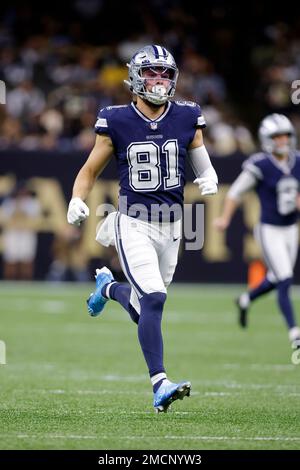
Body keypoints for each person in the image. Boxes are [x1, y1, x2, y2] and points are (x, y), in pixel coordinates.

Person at [67, 45, 218, 412]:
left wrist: (209, 175)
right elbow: (90, 170)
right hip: (133, 222)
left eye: (165, 74)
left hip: (174, 226)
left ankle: (109, 288)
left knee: (141, 309)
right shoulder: (116, 119)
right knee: (154, 298)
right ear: (136, 78)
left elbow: (201, 159)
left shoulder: (187, 116)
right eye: (152, 73)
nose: (160, 81)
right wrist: (77, 197)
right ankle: (160, 384)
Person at [215, 113, 300, 347]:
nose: (283, 141)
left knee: (275, 277)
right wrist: (224, 217)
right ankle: (294, 333)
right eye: (277, 136)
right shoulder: (260, 164)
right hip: (269, 229)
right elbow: (235, 193)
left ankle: (245, 299)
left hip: (291, 228)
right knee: (284, 278)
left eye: (286, 136)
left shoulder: (298, 161)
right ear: (267, 138)